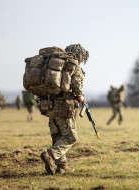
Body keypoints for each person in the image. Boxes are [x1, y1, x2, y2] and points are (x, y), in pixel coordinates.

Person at [40, 44, 89, 175]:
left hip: (49, 104)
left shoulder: (56, 66)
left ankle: (62, 166)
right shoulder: (73, 66)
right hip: (64, 106)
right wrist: (81, 97)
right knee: (71, 136)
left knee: (57, 135)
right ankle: (50, 155)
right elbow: (76, 84)